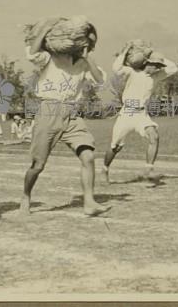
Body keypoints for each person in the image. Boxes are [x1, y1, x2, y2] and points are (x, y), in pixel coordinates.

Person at [21, 17, 110, 216]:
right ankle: (26, 195)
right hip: (49, 110)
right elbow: (32, 54)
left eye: (91, 43)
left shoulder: (84, 64)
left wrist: (88, 59)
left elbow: (101, 81)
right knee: (38, 165)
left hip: (72, 113)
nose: (89, 45)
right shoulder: (51, 57)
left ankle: (89, 202)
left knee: (88, 156)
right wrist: (45, 27)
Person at [103, 43, 178, 183]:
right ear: (146, 63)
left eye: (159, 66)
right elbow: (116, 68)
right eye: (155, 65)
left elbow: (174, 68)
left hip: (141, 115)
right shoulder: (133, 72)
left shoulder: (157, 76)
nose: (158, 68)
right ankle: (105, 168)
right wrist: (125, 52)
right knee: (115, 147)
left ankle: (149, 169)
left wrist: (153, 52)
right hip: (127, 113)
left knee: (154, 136)